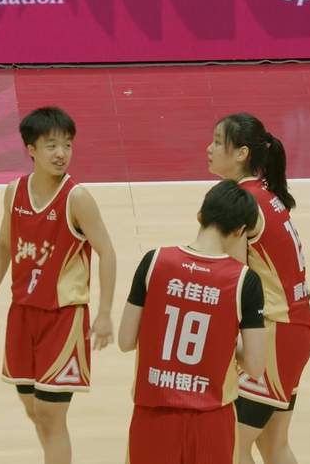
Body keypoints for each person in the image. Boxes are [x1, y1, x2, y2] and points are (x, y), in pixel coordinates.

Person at [0, 106, 116, 464]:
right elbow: (4, 246)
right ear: (31, 149)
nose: (61, 154)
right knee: (34, 410)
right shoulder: (14, 192)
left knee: (51, 416)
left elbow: (107, 252)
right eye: (52, 145)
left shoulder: (77, 198)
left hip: (63, 316)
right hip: (23, 312)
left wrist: (104, 313)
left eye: (67, 145)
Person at [118, 179, 268, 464]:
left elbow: (126, 340)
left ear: (200, 215)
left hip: (153, 415)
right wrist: (222, 344)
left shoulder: (154, 261)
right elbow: (255, 365)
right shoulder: (244, 281)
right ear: (240, 231)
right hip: (212, 420)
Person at [207, 113, 310, 464]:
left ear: (241, 154)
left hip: (273, 333)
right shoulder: (265, 194)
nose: (209, 148)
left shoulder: (241, 203)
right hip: (294, 330)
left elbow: (234, 282)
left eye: (217, 142)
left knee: (231, 446)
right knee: (273, 445)